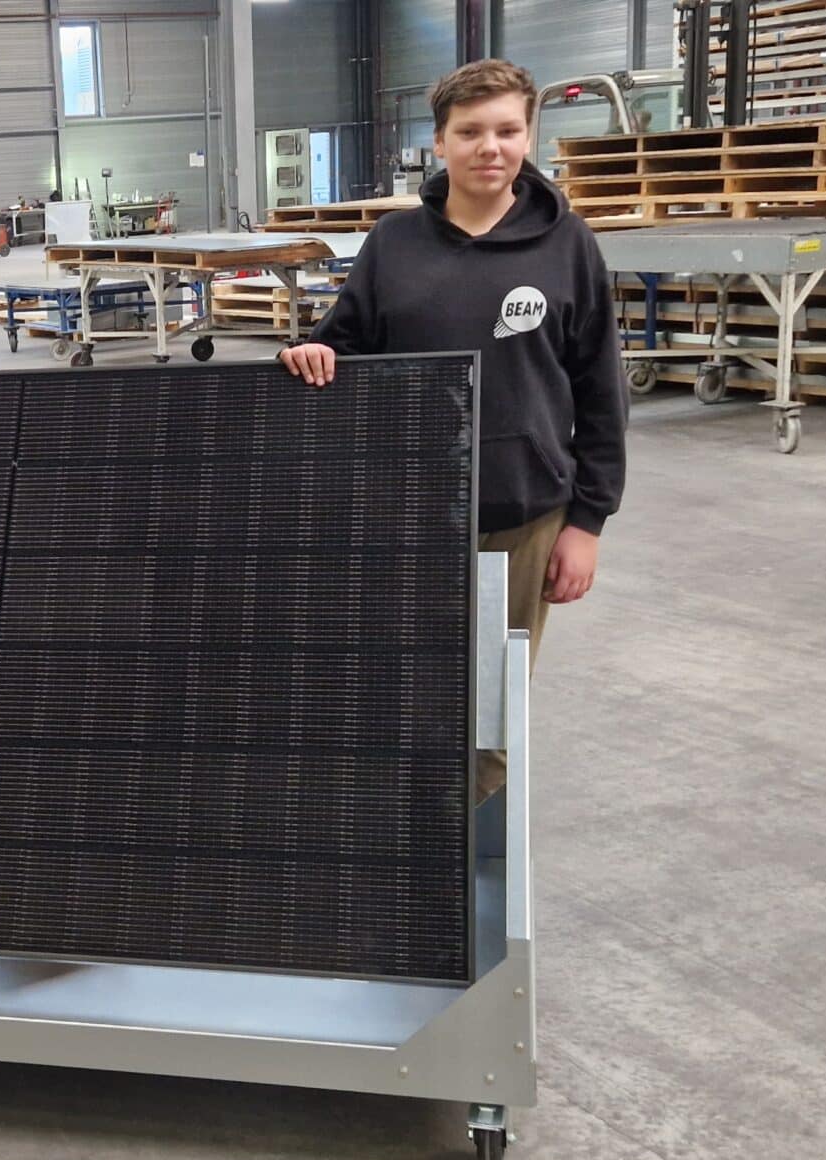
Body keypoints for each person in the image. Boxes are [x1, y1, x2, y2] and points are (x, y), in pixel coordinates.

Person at [279, 59, 627, 802]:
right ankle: (395, 827)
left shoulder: (569, 246)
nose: (489, 148)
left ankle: (456, 845)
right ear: (439, 142)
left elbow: (602, 393)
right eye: (470, 132)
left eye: (507, 131)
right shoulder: (394, 243)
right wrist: (311, 354)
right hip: (406, 514)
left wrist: (587, 522)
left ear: (529, 136)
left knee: (490, 712)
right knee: (401, 688)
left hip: (524, 516)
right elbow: (341, 350)